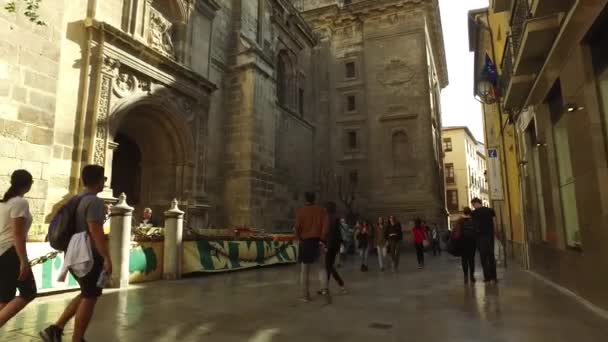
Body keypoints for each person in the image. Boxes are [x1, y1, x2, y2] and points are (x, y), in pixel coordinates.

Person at [40, 165, 113, 342]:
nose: (104, 182)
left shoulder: (77, 198)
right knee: (90, 296)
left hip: (74, 252)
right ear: (99, 181)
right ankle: (77, 338)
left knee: (86, 292)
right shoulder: (94, 201)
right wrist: (106, 257)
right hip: (88, 255)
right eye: (104, 179)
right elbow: (95, 230)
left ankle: (56, 328)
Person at [0, 170, 36, 327]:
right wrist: (23, 261)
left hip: (2, 252)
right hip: (11, 252)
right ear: (28, 185)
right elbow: (18, 234)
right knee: (29, 292)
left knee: (4, 298)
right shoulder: (20, 203)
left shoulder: (4, 203)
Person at [294, 192, 328, 302]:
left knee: (304, 271)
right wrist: (322, 239)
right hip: (319, 241)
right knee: (322, 268)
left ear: (305, 199)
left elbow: (297, 227)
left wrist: (299, 239)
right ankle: (324, 290)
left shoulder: (301, 211)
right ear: (314, 198)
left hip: (306, 242)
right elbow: (325, 226)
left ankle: (305, 295)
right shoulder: (322, 211)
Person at [320, 202, 346, 295]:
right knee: (329, 266)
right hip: (335, 245)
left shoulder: (328, 217)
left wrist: (322, 241)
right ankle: (325, 288)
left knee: (328, 266)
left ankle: (339, 285)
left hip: (329, 245)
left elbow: (325, 232)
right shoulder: (336, 218)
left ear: (327, 209)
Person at [471, 198, 498, 283]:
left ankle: (487, 277)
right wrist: (495, 232)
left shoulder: (474, 213)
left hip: (480, 237)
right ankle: (494, 277)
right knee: (491, 256)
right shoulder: (490, 210)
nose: (473, 206)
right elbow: (494, 222)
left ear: (476, 203)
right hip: (490, 236)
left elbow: (474, 225)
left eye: (473, 205)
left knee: (483, 257)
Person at [454, 207, 477, 284]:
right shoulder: (473, 220)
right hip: (472, 242)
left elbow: (456, 231)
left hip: (463, 242)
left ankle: (465, 276)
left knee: (464, 260)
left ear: (464, 212)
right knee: (471, 260)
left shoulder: (460, 220)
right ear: (470, 212)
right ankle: (472, 276)